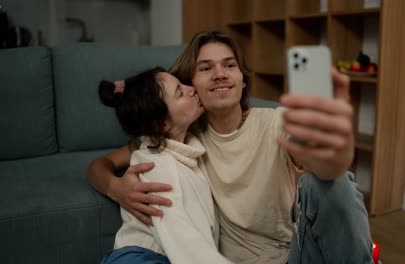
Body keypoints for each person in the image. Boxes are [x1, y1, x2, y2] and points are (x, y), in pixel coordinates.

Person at [88, 30, 373, 264]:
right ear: (192, 84)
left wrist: (332, 156)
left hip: (293, 256)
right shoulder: (177, 141)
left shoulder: (276, 121)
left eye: (230, 65)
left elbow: (322, 165)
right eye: (205, 68)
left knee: (329, 182)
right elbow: (99, 166)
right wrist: (116, 188)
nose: (220, 74)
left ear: (242, 78)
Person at [97, 67, 232, 264]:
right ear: (161, 125)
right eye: (180, 92)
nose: (191, 89)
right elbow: (181, 236)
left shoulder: (188, 152)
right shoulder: (154, 164)